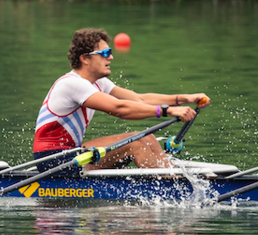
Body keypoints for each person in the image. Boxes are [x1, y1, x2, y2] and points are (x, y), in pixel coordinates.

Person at [32, 28, 210, 172]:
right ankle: (170, 189)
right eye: (105, 52)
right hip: (54, 160)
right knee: (137, 142)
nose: (111, 57)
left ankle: (171, 178)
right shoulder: (72, 84)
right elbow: (119, 108)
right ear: (85, 58)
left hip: (73, 155)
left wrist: (184, 98)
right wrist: (167, 111)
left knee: (147, 138)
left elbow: (139, 99)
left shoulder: (98, 82)